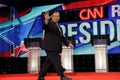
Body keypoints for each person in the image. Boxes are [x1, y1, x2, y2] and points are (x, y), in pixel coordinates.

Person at [38, 11, 74, 80]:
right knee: (56, 61)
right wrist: (46, 20)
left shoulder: (59, 27)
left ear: (59, 17)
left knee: (47, 62)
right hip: (50, 46)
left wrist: (68, 43)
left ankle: (41, 76)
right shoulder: (49, 24)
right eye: (54, 16)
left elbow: (61, 37)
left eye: (57, 16)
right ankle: (62, 76)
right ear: (51, 17)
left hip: (55, 47)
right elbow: (44, 26)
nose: (56, 17)